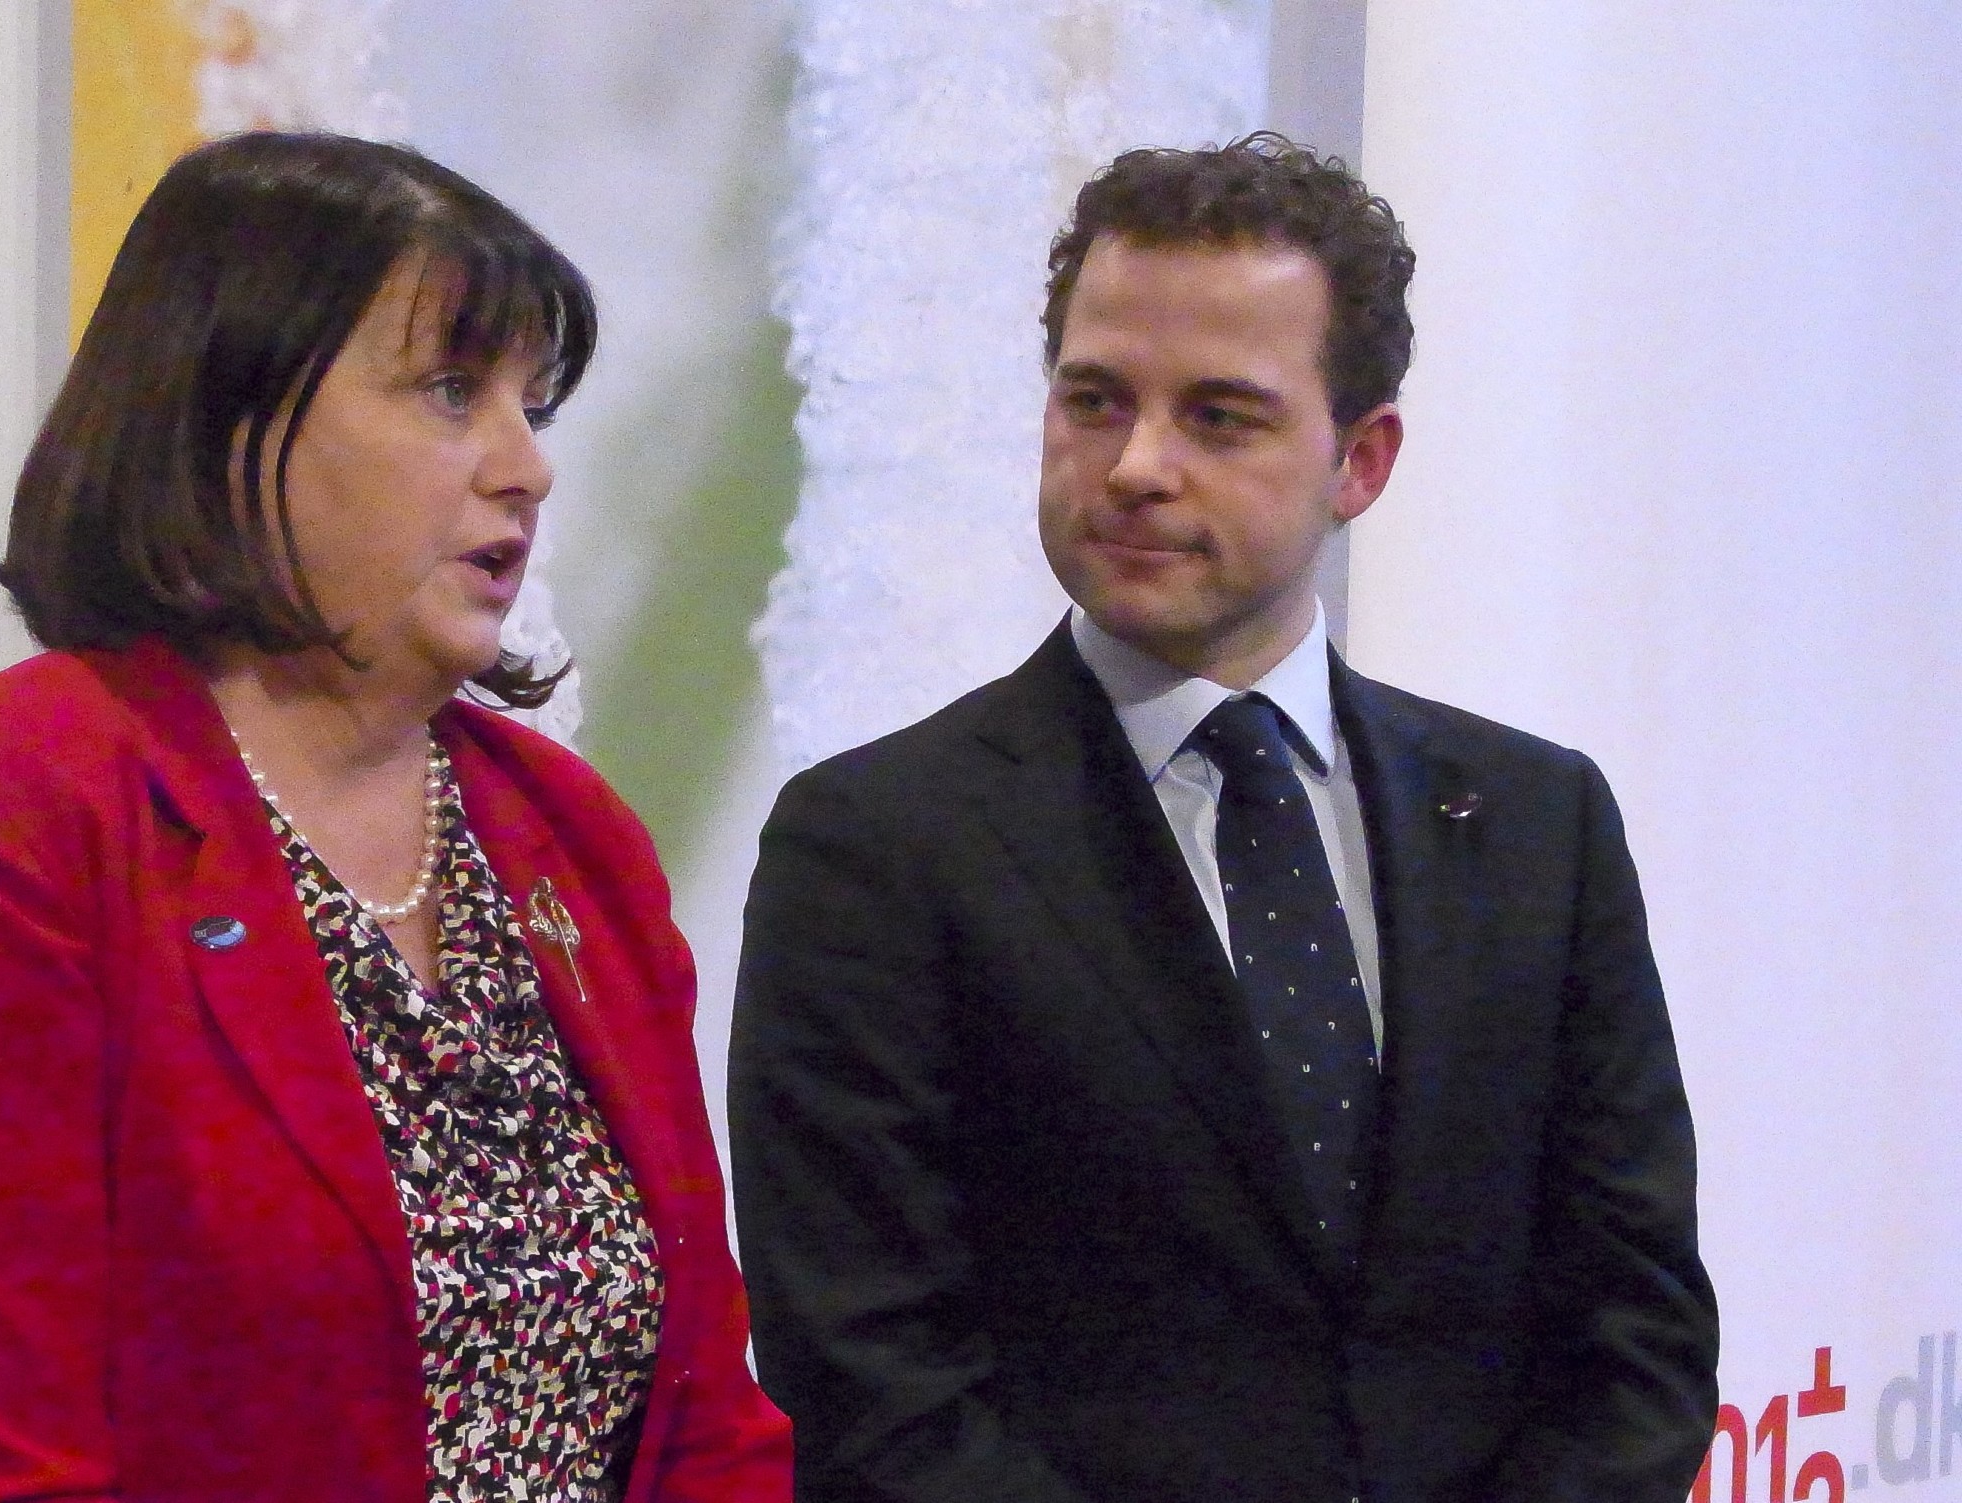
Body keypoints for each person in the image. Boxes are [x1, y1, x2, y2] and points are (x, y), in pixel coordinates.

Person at [0, 132, 791, 1502]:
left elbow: (707, 1416)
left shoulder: (566, 834)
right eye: (448, 390)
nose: (525, 466)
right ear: (230, 421)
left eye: (531, 407)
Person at [728, 133, 1718, 1501]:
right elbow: (871, 1377)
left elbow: (1637, 1328)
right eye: (1093, 400)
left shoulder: (1537, 825)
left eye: (1218, 416)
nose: (1135, 464)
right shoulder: (879, 845)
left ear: (1359, 461)